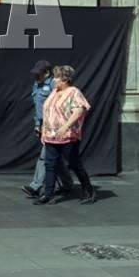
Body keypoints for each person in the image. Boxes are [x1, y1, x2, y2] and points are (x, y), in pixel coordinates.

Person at [34, 65, 96, 205]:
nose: (54, 80)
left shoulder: (74, 92)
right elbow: (47, 111)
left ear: (66, 79)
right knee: (50, 165)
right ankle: (48, 194)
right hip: (51, 136)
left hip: (68, 136)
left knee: (74, 164)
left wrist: (65, 127)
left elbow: (79, 111)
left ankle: (89, 190)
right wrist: (43, 130)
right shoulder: (54, 92)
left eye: (57, 78)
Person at [21, 60, 73, 199]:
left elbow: (60, 106)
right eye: (35, 74)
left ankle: (35, 187)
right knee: (55, 157)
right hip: (43, 126)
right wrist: (38, 124)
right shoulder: (37, 84)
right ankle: (67, 184)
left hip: (54, 127)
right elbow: (38, 108)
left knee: (45, 157)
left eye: (39, 74)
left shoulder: (54, 86)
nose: (36, 76)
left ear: (47, 73)